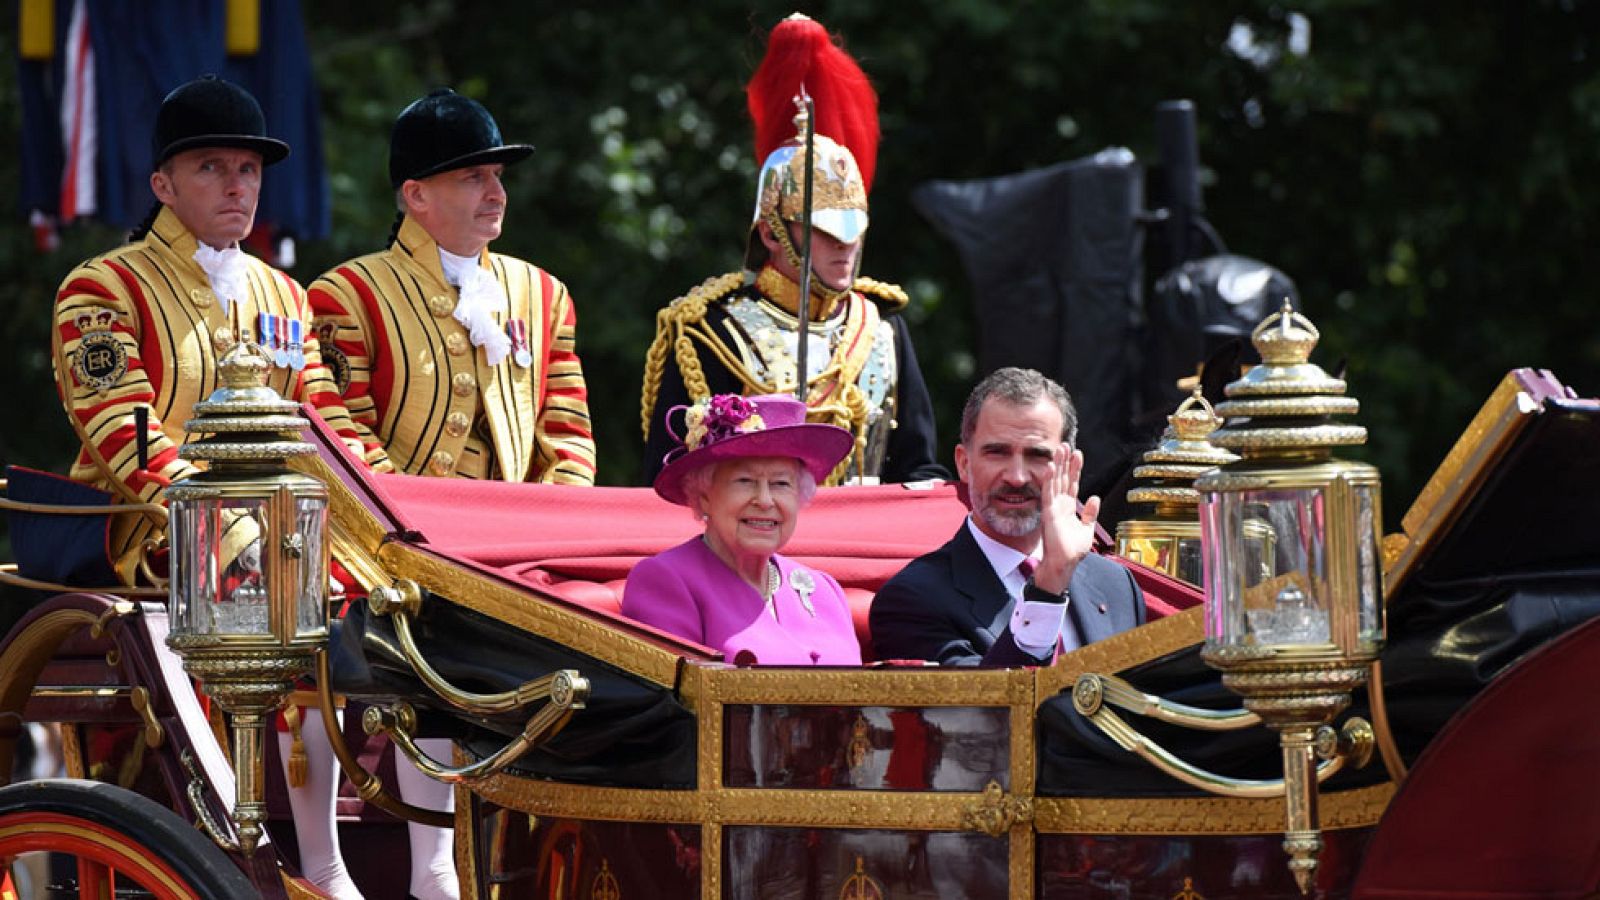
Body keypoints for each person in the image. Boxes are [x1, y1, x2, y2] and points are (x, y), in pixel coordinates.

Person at [50, 74, 385, 583]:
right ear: (163, 185)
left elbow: (327, 427)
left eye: (248, 169)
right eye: (211, 167)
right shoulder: (105, 287)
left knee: (390, 584)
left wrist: (389, 510)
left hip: (285, 530)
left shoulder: (288, 296)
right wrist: (231, 531)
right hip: (147, 533)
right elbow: (124, 431)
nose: (236, 185)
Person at [640, 14, 944, 487]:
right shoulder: (709, 331)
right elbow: (672, 479)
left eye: (853, 230)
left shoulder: (884, 330)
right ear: (770, 234)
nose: (846, 246)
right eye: (824, 231)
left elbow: (919, 467)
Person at [309, 88, 595, 484]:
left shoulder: (545, 295)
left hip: (524, 534)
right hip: (398, 532)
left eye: (497, 175)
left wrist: (552, 523)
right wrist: (409, 523)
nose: (496, 194)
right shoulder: (348, 294)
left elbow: (568, 437)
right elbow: (344, 431)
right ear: (417, 194)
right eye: (473, 177)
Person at [870, 368, 1146, 666]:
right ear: (964, 464)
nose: (1016, 477)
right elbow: (981, 709)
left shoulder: (1116, 586)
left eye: (1037, 455)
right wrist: (1048, 588)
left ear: (1068, 464)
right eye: (997, 453)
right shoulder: (912, 599)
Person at [623, 393, 862, 665]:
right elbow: (676, 704)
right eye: (745, 481)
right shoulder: (665, 581)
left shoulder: (824, 588)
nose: (764, 500)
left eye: (781, 484)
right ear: (704, 497)